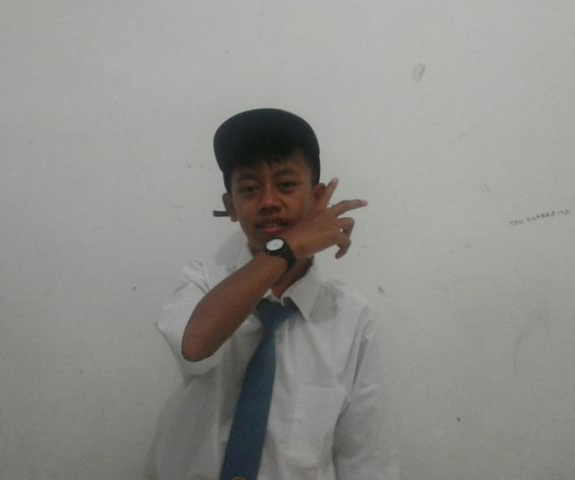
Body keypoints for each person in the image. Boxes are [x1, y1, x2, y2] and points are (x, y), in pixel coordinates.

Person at [155, 108, 399, 479]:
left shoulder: (351, 318)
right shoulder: (203, 283)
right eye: (249, 189)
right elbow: (194, 347)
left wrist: (286, 246)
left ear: (317, 197)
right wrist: (288, 247)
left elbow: (367, 460)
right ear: (231, 206)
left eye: (285, 185)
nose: (268, 201)